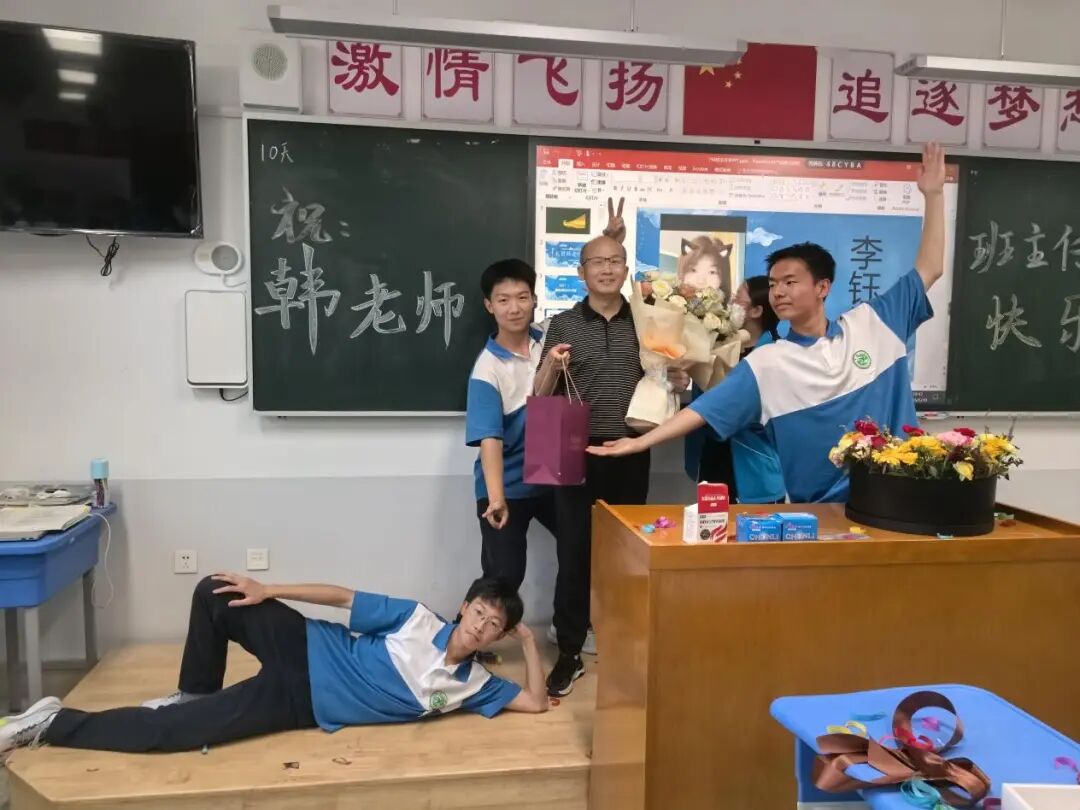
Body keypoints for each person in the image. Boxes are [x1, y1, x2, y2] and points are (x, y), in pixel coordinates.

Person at [589, 142, 948, 505]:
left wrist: (933, 195)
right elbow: (702, 412)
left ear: (822, 287)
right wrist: (639, 443)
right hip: (822, 511)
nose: (779, 292)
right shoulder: (768, 363)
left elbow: (930, 268)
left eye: (790, 282)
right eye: (774, 284)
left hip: (902, 493)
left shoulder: (874, 322)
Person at [0, 574, 547, 755]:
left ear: (498, 634)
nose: (481, 625)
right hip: (304, 643)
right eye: (479, 612)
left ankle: (49, 723)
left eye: (494, 624)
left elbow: (537, 703)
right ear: (463, 607)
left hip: (300, 701)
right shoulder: (418, 618)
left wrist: (527, 642)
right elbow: (342, 598)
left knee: (170, 735)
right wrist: (269, 590)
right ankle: (195, 692)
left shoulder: (476, 685)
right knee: (215, 590)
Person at [533, 199, 689, 697]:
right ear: (580, 272)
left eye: (614, 261)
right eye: (597, 262)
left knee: (625, 554)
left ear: (625, 270)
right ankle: (569, 651)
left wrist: (681, 380)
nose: (606, 269)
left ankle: (623, 641)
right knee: (574, 553)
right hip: (573, 452)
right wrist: (552, 365)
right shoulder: (562, 323)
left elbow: (669, 379)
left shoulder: (646, 320)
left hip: (631, 449)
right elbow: (540, 395)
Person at [466, 259, 557, 594]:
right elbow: (489, 438)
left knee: (586, 545)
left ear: (534, 300)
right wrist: (496, 498)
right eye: (503, 300)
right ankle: (463, 628)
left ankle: (571, 620)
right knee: (503, 576)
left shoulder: (550, 340)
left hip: (551, 478)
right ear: (489, 306)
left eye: (522, 297)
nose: (514, 308)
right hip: (507, 485)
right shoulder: (487, 368)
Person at [684, 275, 785, 503]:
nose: (730, 302)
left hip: (754, 464)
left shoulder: (775, 355)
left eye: (738, 297)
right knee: (712, 520)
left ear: (756, 311)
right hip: (713, 456)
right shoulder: (719, 346)